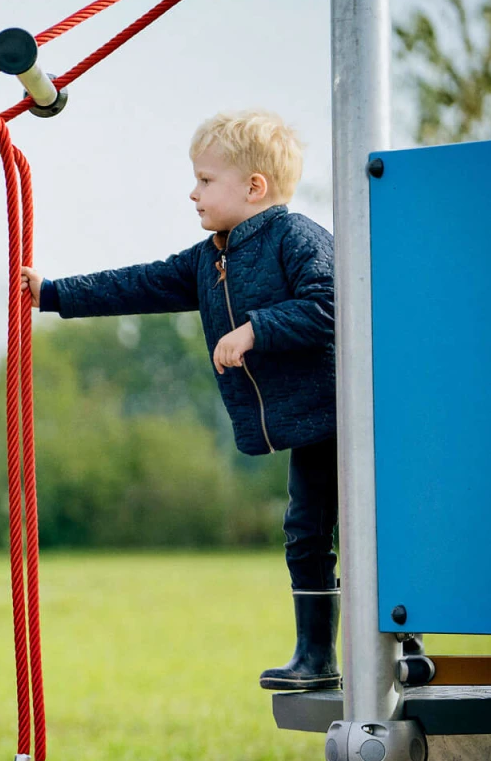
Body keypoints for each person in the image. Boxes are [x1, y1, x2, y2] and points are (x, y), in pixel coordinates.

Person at [21, 109, 339, 691]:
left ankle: (401, 645)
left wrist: (254, 329)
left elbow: (333, 304)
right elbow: (138, 283)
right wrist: (55, 294)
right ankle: (315, 656)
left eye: (205, 180)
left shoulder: (297, 238)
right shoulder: (210, 257)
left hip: (351, 421)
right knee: (307, 531)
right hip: (311, 427)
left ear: (253, 187)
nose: (192, 193)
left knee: (371, 534)